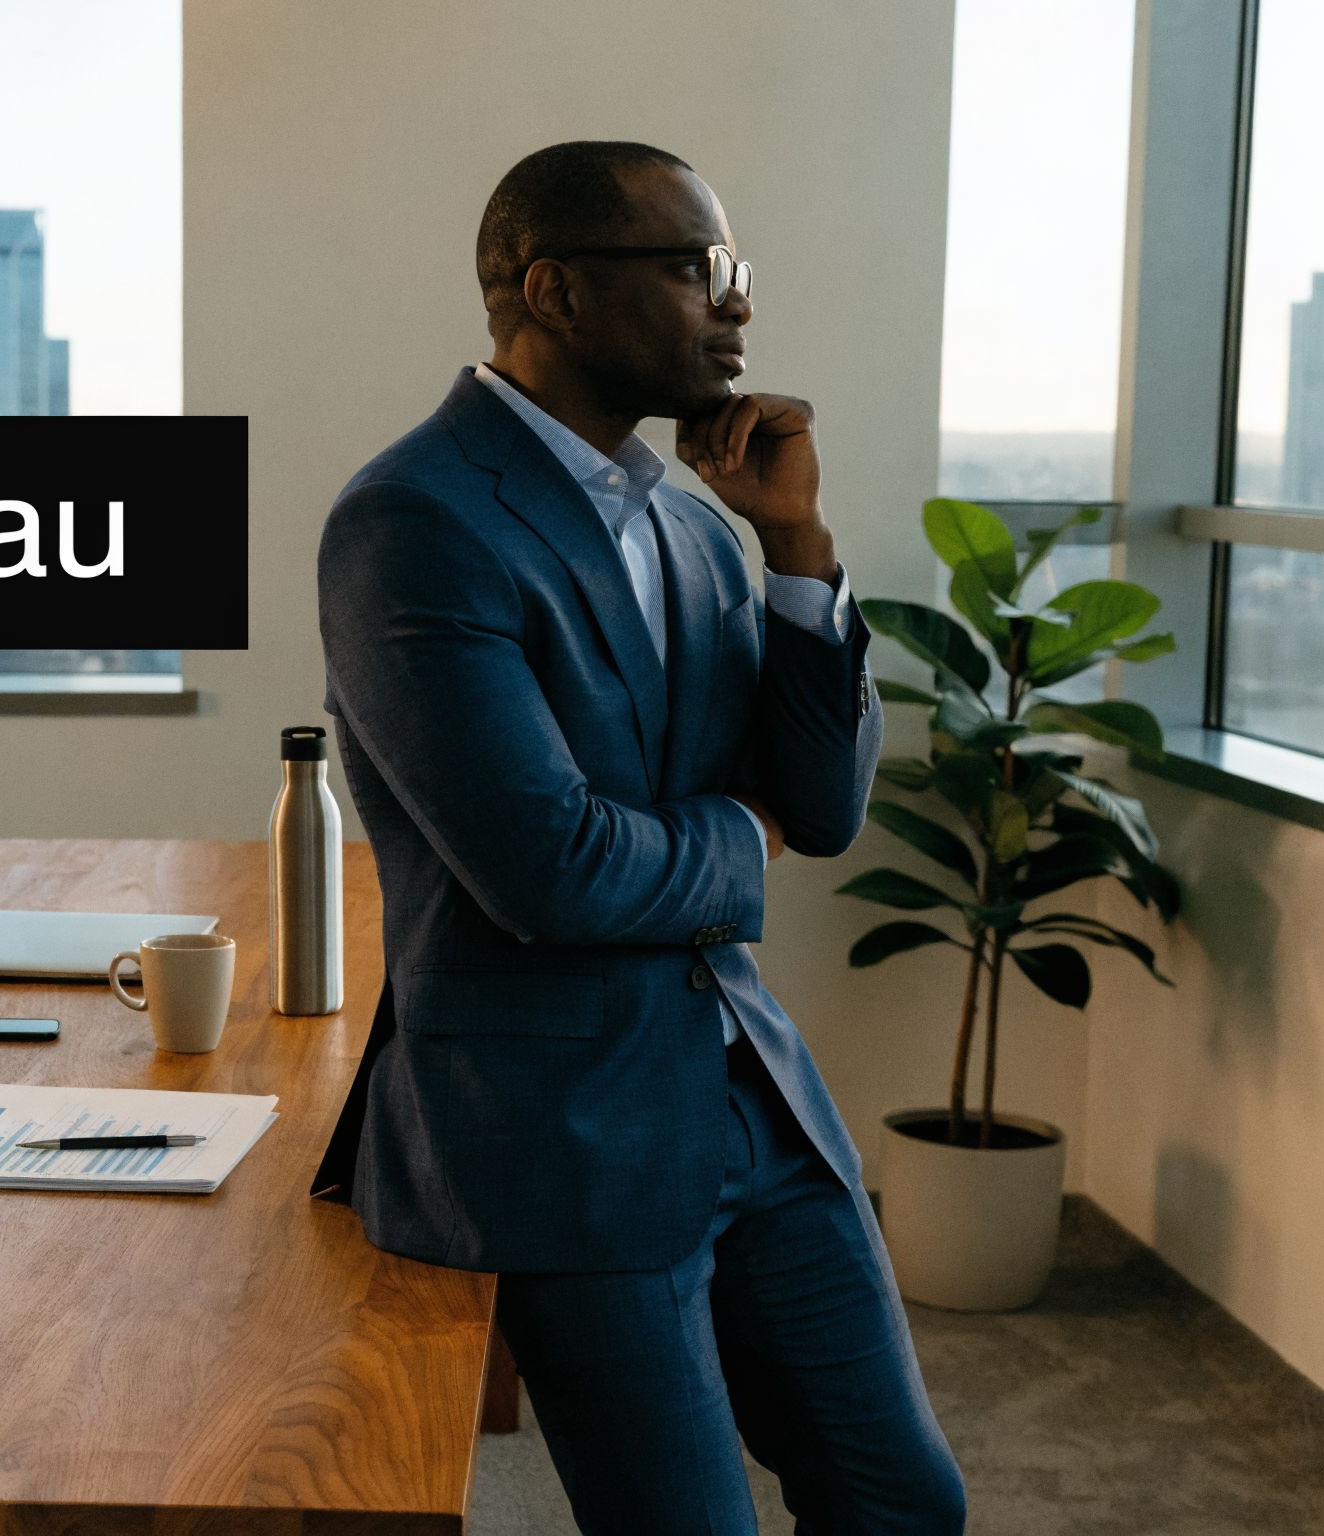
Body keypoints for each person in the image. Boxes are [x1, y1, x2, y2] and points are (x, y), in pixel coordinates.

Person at [313, 140, 970, 1534]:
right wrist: (738, 841)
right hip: (561, 1130)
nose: (734, 305)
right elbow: (548, 866)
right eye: (695, 268)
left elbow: (827, 810)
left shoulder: (694, 524)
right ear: (554, 290)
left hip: (755, 1099)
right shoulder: (413, 523)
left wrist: (797, 549)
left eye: (734, 271)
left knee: (903, 1499)